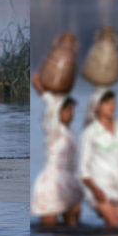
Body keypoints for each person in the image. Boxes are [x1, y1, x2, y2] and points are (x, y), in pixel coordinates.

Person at [30, 73, 82, 226]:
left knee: (73, 226)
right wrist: (41, 89)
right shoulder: (53, 129)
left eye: (72, 110)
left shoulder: (70, 132)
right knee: (49, 228)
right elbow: (52, 106)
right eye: (67, 110)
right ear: (59, 112)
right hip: (52, 183)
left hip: (70, 181)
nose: (70, 114)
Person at [79, 88, 118, 227]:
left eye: (113, 102)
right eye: (107, 103)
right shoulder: (90, 132)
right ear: (97, 106)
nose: (112, 106)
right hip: (99, 185)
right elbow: (82, 169)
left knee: (115, 227)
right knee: (113, 222)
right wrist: (96, 190)